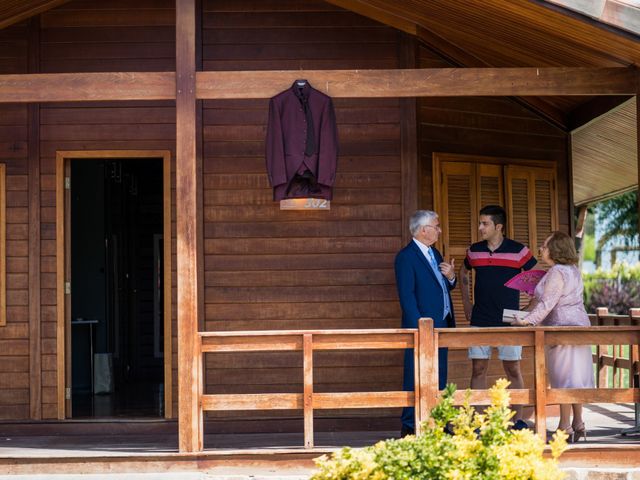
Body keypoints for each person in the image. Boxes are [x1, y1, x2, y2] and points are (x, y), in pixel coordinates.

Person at [510, 231, 593, 442]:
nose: (541, 249)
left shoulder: (557, 271)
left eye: (545, 245)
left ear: (556, 249)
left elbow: (548, 303)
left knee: (563, 378)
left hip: (561, 328)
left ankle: (564, 427)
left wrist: (527, 321)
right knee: (575, 377)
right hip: (580, 327)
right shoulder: (573, 270)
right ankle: (578, 422)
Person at [460, 205, 537, 430]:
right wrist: (466, 303)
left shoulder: (520, 251)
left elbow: (538, 280)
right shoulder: (474, 251)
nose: (480, 227)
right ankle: (478, 422)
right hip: (480, 318)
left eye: (485, 223)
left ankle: (518, 421)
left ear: (498, 226)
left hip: (509, 320)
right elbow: (463, 272)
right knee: (478, 369)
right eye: (480, 223)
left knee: (513, 369)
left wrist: (527, 311)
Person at [395, 210, 456, 437]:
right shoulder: (406, 257)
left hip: (442, 325)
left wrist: (451, 277)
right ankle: (410, 426)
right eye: (436, 226)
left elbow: (443, 287)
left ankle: (438, 423)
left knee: (439, 375)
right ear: (423, 230)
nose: (439, 230)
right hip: (421, 329)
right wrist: (419, 328)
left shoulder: (435, 253)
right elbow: (407, 297)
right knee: (415, 374)